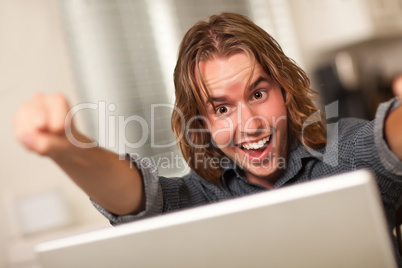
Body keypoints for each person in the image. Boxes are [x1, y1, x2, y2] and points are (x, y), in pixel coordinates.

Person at [14, 13, 402, 265]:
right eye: (221, 108)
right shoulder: (197, 200)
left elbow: (386, 140)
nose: (249, 125)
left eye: (257, 94)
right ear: (199, 122)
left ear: (284, 90)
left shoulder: (344, 152)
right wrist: (67, 150)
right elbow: (135, 197)